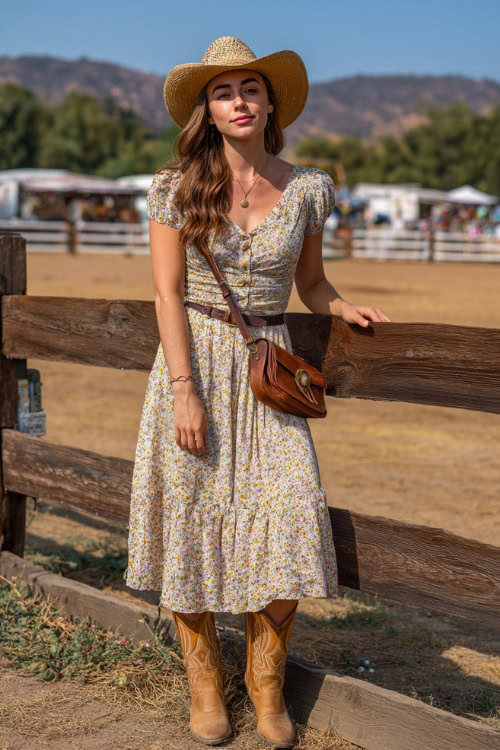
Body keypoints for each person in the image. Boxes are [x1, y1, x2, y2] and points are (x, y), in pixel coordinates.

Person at [124, 35, 391, 747]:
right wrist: (184, 388)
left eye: (249, 88)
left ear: (270, 103)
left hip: (266, 369)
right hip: (196, 365)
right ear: (206, 111)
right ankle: (205, 681)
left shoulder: (307, 187)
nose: (238, 101)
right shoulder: (173, 185)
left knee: (291, 508)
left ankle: (265, 686)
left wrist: (340, 307)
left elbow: (310, 281)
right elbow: (166, 291)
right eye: (222, 91)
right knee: (191, 514)